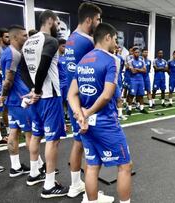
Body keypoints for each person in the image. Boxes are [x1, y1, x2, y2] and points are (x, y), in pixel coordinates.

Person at [68, 22, 132, 203]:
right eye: (115, 39)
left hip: (87, 125)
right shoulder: (112, 60)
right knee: (125, 167)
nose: (116, 44)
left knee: (92, 166)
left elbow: (71, 95)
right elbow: (106, 96)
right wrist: (85, 114)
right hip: (105, 123)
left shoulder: (82, 61)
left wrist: (80, 115)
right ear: (107, 37)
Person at [21, 10, 68, 198]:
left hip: (37, 99)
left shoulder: (28, 42)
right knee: (52, 140)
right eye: (57, 23)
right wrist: (38, 90)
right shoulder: (50, 41)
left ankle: (34, 173)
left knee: (36, 135)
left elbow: (23, 70)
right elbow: (43, 66)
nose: (58, 27)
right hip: (49, 97)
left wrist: (32, 89)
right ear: (49, 21)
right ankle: (49, 185)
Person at [64, 2, 103, 198]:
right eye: (97, 20)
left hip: (72, 98)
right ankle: (90, 195)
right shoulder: (87, 41)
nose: (99, 23)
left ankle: (75, 186)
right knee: (90, 144)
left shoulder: (71, 38)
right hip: (82, 100)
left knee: (78, 142)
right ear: (89, 20)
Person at [0, 25, 32, 177]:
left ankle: (16, 167)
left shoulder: (12, 52)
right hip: (19, 100)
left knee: (14, 131)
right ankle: (37, 169)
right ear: (15, 37)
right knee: (30, 132)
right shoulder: (12, 54)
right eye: (24, 35)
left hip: (14, 100)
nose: (27, 38)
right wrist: (3, 95)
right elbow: (8, 80)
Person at [126, 47, 148, 115]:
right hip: (133, 80)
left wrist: (137, 69)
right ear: (133, 53)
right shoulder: (130, 61)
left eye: (138, 52)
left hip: (140, 80)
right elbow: (133, 71)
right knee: (131, 95)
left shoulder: (142, 61)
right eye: (136, 52)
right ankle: (129, 109)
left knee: (141, 95)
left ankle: (142, 108)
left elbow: (145, 70)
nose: (137, 54)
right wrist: (140, 69)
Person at [0, 27, 9, 146]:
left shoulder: (3, 50)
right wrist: (3, 72)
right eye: (6, 36)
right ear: (0, 38)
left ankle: (4, 133)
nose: (8, 38)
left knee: (3, 110)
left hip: (1, 84)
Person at [115, 46, 127, 120]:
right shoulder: (108, 57)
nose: (116, 50)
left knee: (119, 97)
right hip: (109, 80)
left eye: (118, 49)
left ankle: (120, 114)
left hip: (118, 79)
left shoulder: (120, 58)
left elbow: (121, 67)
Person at [57, 38, 68, 120]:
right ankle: (61, 117)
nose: (65, 48)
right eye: (63, 46)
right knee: (59, 102)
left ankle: (67, 115)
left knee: (68, 101)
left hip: (67, 83)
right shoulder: (56, 59)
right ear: (59, 46)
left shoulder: (67, 58)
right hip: (59, 83)